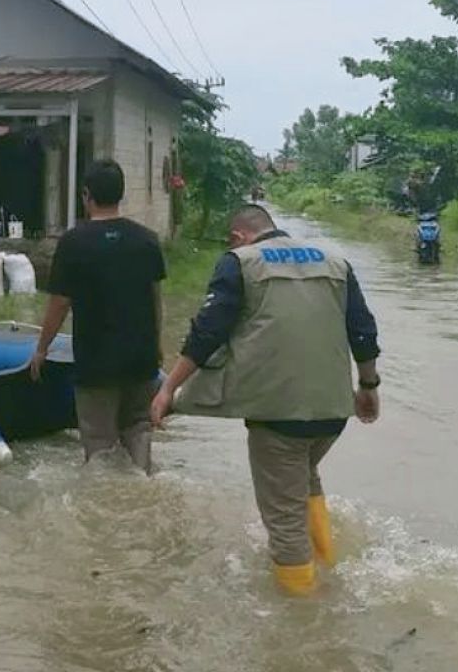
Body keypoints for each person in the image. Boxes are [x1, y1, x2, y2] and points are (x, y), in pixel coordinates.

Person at [150, 205, 381, 595]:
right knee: (304, 479)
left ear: (239, 236)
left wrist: (169, 388)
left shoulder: (241, 263)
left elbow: (208, 331)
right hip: (333, 411)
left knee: (284, 520)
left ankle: (303, 612)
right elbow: (362, 328)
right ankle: (327, 565)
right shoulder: (335, 261)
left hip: (279, 414)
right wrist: (369, 387)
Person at [30, 159, 166, 473]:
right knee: (139, 430)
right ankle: (142, 491)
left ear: (86, 195)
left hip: (96, 362)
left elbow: (59, 304)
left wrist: (41, 349)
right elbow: (155, 299)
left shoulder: (74, 243)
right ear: (122, 195)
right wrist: (157, 345)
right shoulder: (147, 240)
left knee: (99, 442)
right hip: (141, 359)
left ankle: (105, 508)